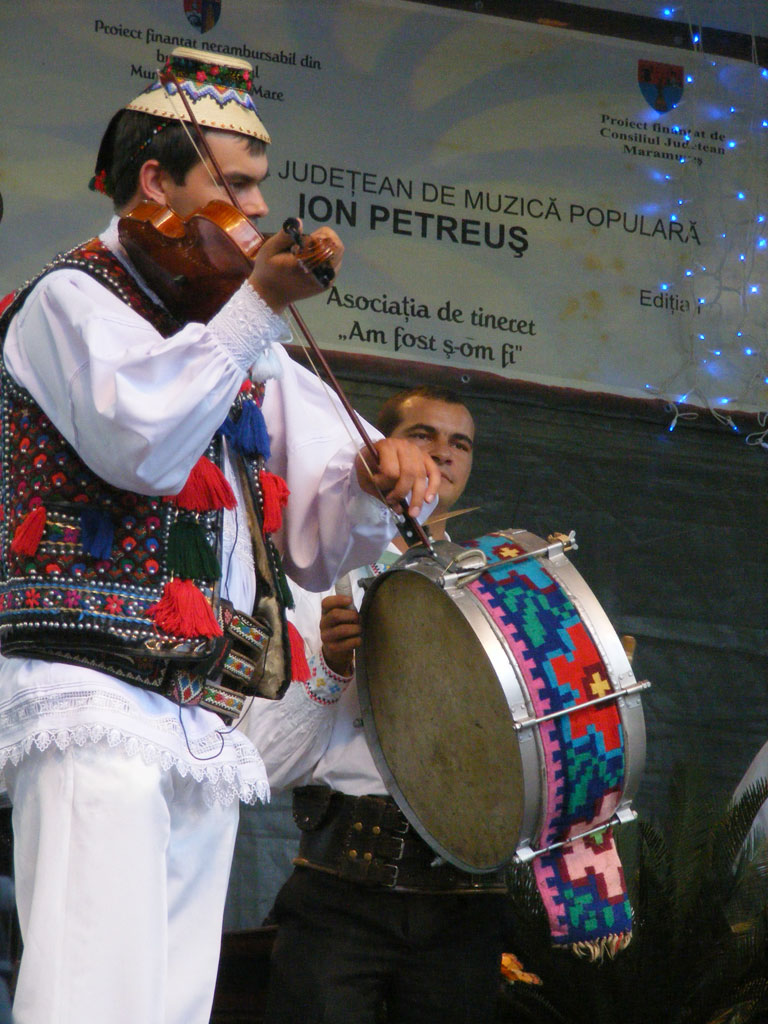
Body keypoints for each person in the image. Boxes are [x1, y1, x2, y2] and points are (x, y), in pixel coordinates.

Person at [0, 47, 438, 1024]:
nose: (252, 213)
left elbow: (329, 528)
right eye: (233, 187)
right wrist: (259, 307)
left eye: (258, 189)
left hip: (202, 710)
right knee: (91, 994)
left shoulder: (241, 338)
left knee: (169, 1004)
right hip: (94, 694)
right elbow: (138, 445)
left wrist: (377, 474)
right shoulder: (74, 301)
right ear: (154, 183)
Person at [241, 386, 512, 1024]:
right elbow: (259, 764)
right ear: (380, 447)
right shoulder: (315, 571)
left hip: (467, 901)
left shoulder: (504, 590)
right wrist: (332, 667)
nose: (443, 454)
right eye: (423, 435)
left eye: (460, 443)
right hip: (340, 894)